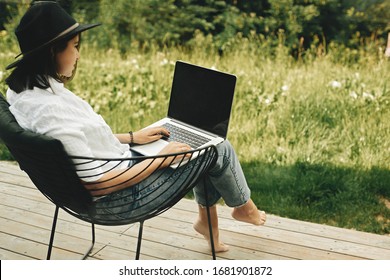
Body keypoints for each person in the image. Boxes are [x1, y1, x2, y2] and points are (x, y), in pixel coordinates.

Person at [5, 1, 266, 253]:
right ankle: (243, 207)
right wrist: (158, 159)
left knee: (199, 144)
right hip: (120, 198)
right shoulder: (51, 113)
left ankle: (210, 223)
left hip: (114, 170)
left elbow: (80, 145)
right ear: (53, 51)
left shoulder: (24, 94)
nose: (78, 54)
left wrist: (133, 137)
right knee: (217, 147)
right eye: (74, 46)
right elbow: (97, 185)